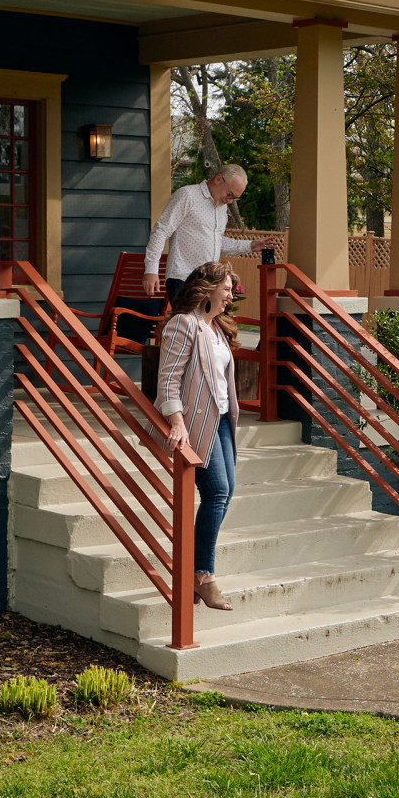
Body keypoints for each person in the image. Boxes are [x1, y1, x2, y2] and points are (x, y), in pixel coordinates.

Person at [155, 262, 246, 611]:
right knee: (217, 491)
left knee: (227, 490)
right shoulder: (184, 324)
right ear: (206, 288)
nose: (230, 295)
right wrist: (177, 422)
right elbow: (168, 380)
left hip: (222, 419)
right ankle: (202, 575)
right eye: (226, 288)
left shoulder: (216, 329)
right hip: (197, 422)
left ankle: (194, 569)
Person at [143, 164, 276, 298]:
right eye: (230, 194)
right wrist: (151, 269)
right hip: (183, 279)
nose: (230, 201)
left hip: (209, 283)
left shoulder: (221, 208)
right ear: (218, 179)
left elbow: (217, 242)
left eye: (235, 198)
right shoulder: (187, 195)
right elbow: (161, 230)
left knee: (217, 319)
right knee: (190, 320)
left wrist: (250, 245)